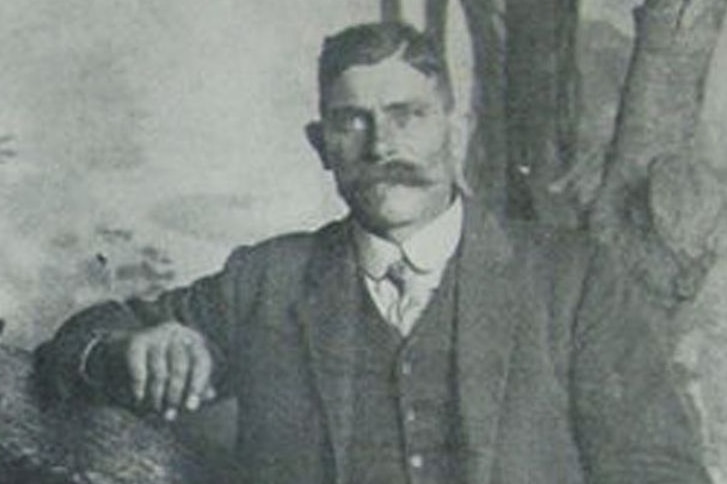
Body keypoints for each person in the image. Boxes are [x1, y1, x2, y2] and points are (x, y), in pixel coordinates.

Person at [36, 22, 711, 484]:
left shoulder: (569, 282)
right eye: (350, 120)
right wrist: (129, 349)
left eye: (406, 114)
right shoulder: (267, 282)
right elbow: (76, 344)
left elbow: (657, 469)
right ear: (319, 142)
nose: (381, 145)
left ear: (454, 123)